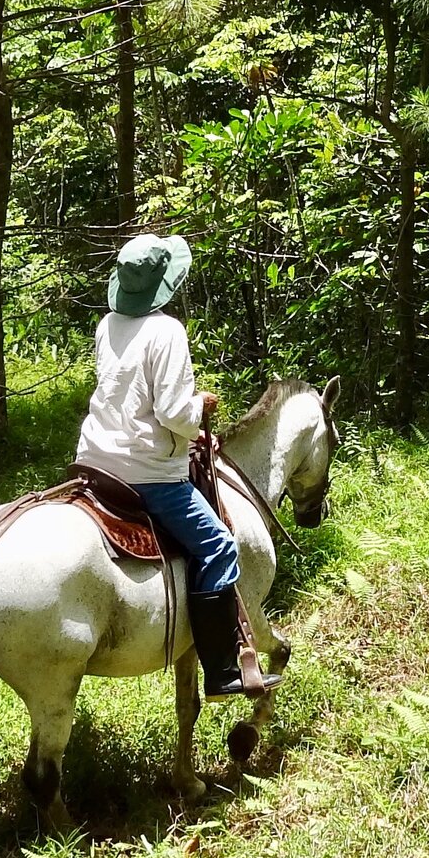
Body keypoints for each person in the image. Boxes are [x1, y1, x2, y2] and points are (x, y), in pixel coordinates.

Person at [75, 233, 276, 699]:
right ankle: (224, 670)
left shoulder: (108, 324)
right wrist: (198, 406)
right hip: (149, 471)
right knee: (221, 545)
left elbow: (125, 392)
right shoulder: (167, 331)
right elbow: (171, 412)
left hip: (94, 461)